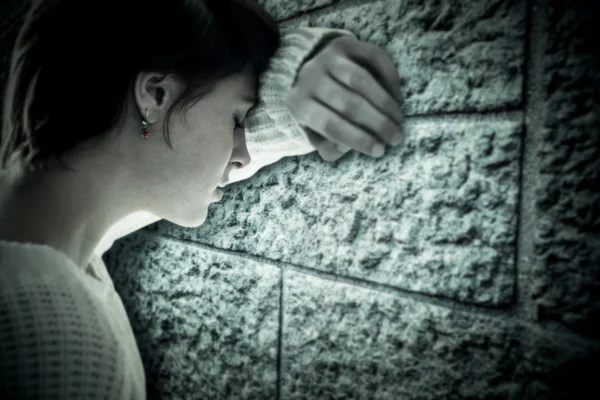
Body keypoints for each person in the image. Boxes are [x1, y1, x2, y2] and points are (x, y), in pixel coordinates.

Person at [0, 0, 405, 398]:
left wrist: (292, 83)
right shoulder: (60, 346)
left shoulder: (51, 232)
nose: (243, 151)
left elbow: (187, 126)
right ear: (155, 96)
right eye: (237, 119)